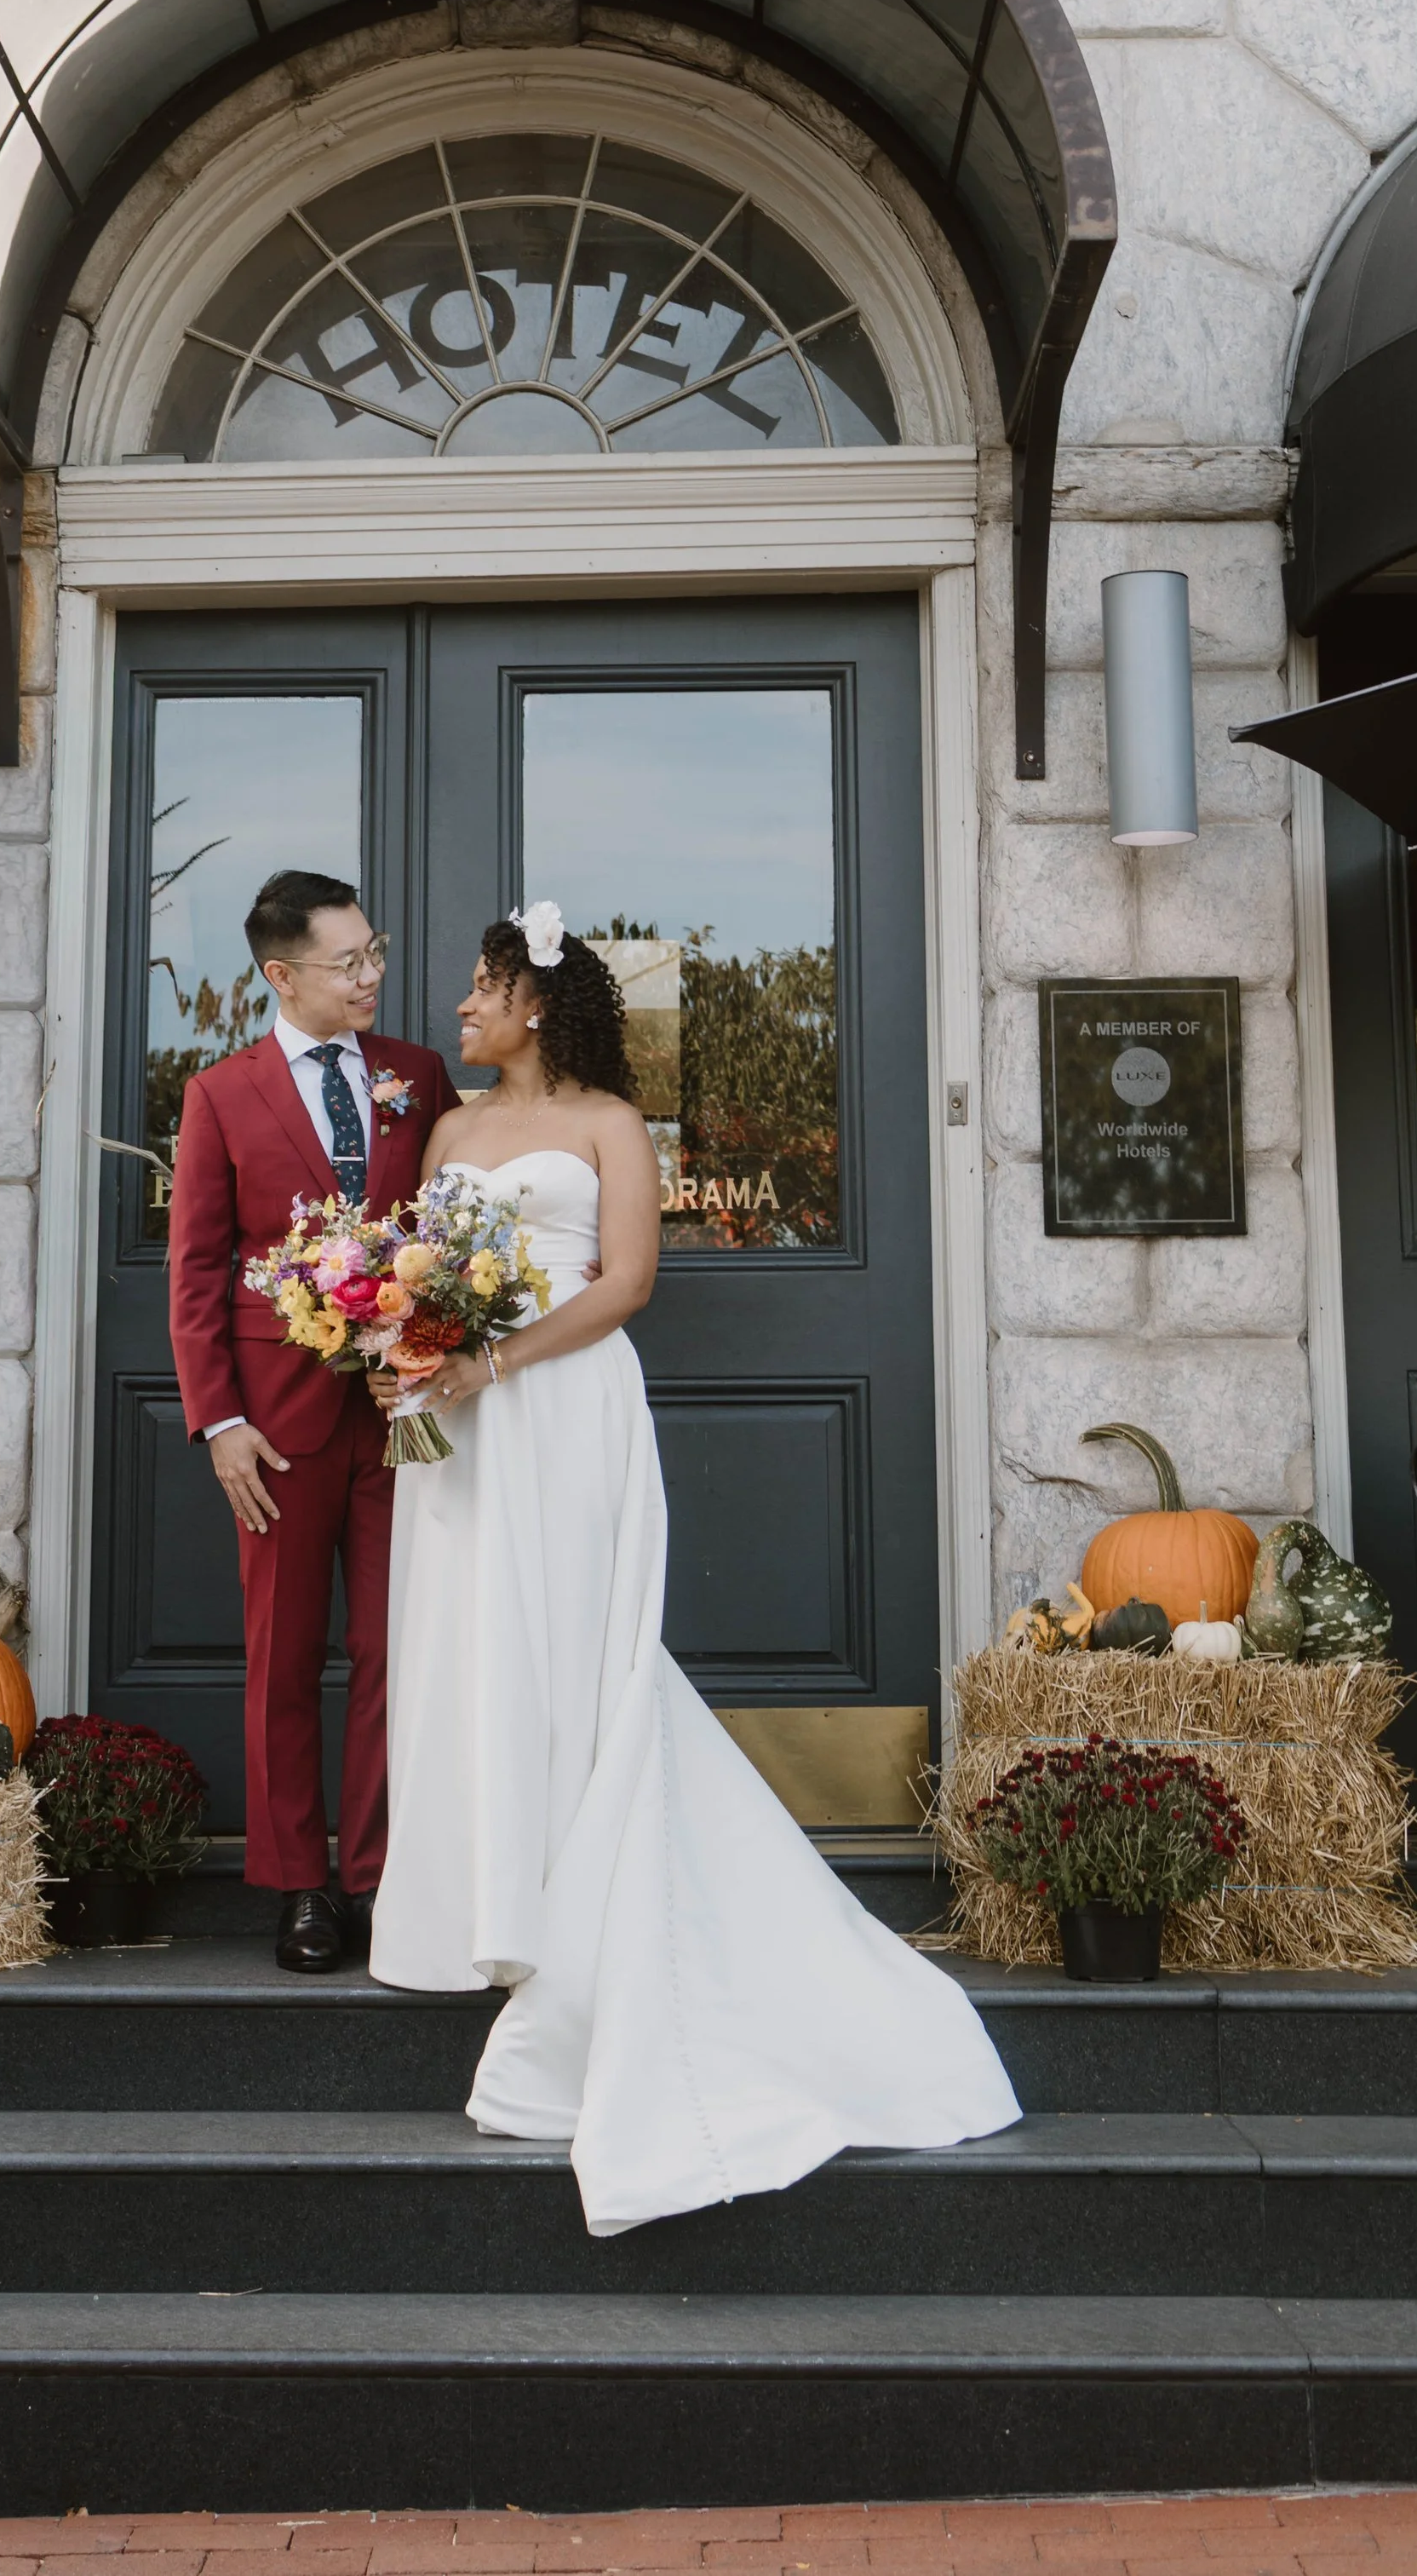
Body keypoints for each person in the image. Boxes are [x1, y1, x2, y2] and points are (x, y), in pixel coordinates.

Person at [368, 900, 1021, 2234]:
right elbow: (416, 1267)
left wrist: (492, 1361)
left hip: (562, 1403)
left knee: (570, 1641)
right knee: (467, 1644)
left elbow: (624, 1284)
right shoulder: (446, 1130)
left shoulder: (609, 1125)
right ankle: (479, 1902)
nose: (461, 1007)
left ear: (537, 1001)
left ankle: (579, 1899)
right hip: (459, 1422)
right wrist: (410, 1349)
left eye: (483, 988)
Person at [169, 871, 461, 1973]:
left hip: (399, 1417)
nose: (372, 975)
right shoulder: (220, 1094)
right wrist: (219, 1421)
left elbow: (452, 1231)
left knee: (392, 1650)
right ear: (281, 976)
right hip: (273, 1427)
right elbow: (197, 1269)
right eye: (349, 963)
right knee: (282, 1657)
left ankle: (382, 1878)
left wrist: (426, 1352)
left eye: (373, 951)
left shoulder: (418, 1078)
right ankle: (300, 1885)